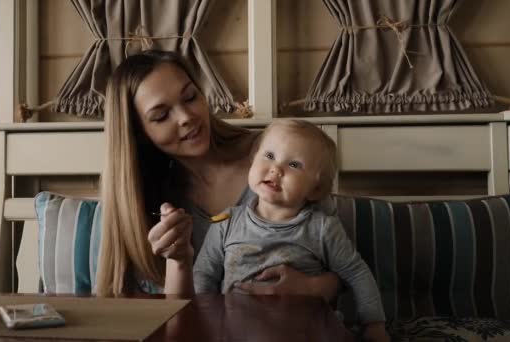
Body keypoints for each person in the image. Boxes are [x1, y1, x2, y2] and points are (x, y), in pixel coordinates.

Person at [97, 50, 340, 300]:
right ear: (138, 133)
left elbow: (344, 273)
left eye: (190, 97)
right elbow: (163, 312)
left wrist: (309, 288)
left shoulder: (276, 155)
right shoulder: (148, 201)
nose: (186, 117)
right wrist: (178, 261)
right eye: (161, 116)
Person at [193, 119, 389, 341]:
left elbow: (356, 272)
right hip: (238, 329)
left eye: (294, 165)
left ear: (316, 189)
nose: (276, 169)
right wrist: (205, 320)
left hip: (308, 331)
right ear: (253, 160)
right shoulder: (225, 223)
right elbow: (204, 274)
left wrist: (374, 325)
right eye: (269, 155)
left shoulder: (322, 227)